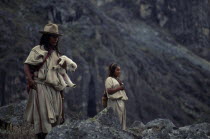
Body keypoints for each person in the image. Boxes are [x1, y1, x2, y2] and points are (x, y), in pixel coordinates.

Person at [24, 23, 65, 139]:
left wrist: (62, 98)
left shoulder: (58, 55)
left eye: (57, 37)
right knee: (43, 120)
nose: (55, 39)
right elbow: (27, 65)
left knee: (55, 120)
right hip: (41, 88)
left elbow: (61, 77)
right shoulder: (37, 50)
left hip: (55, 91)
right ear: (47, 37)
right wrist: (30, 80)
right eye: (53, 36)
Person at [105, 63, 128, 130]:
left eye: (120, 70)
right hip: (114, 103)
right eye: (117, 70)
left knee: (122, 121)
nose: (119, 71)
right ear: (113, 71)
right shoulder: (109, 79)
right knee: (116, 121)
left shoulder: (117, 79)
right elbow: (109, 91)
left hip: (121, 102)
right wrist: (120, 88)